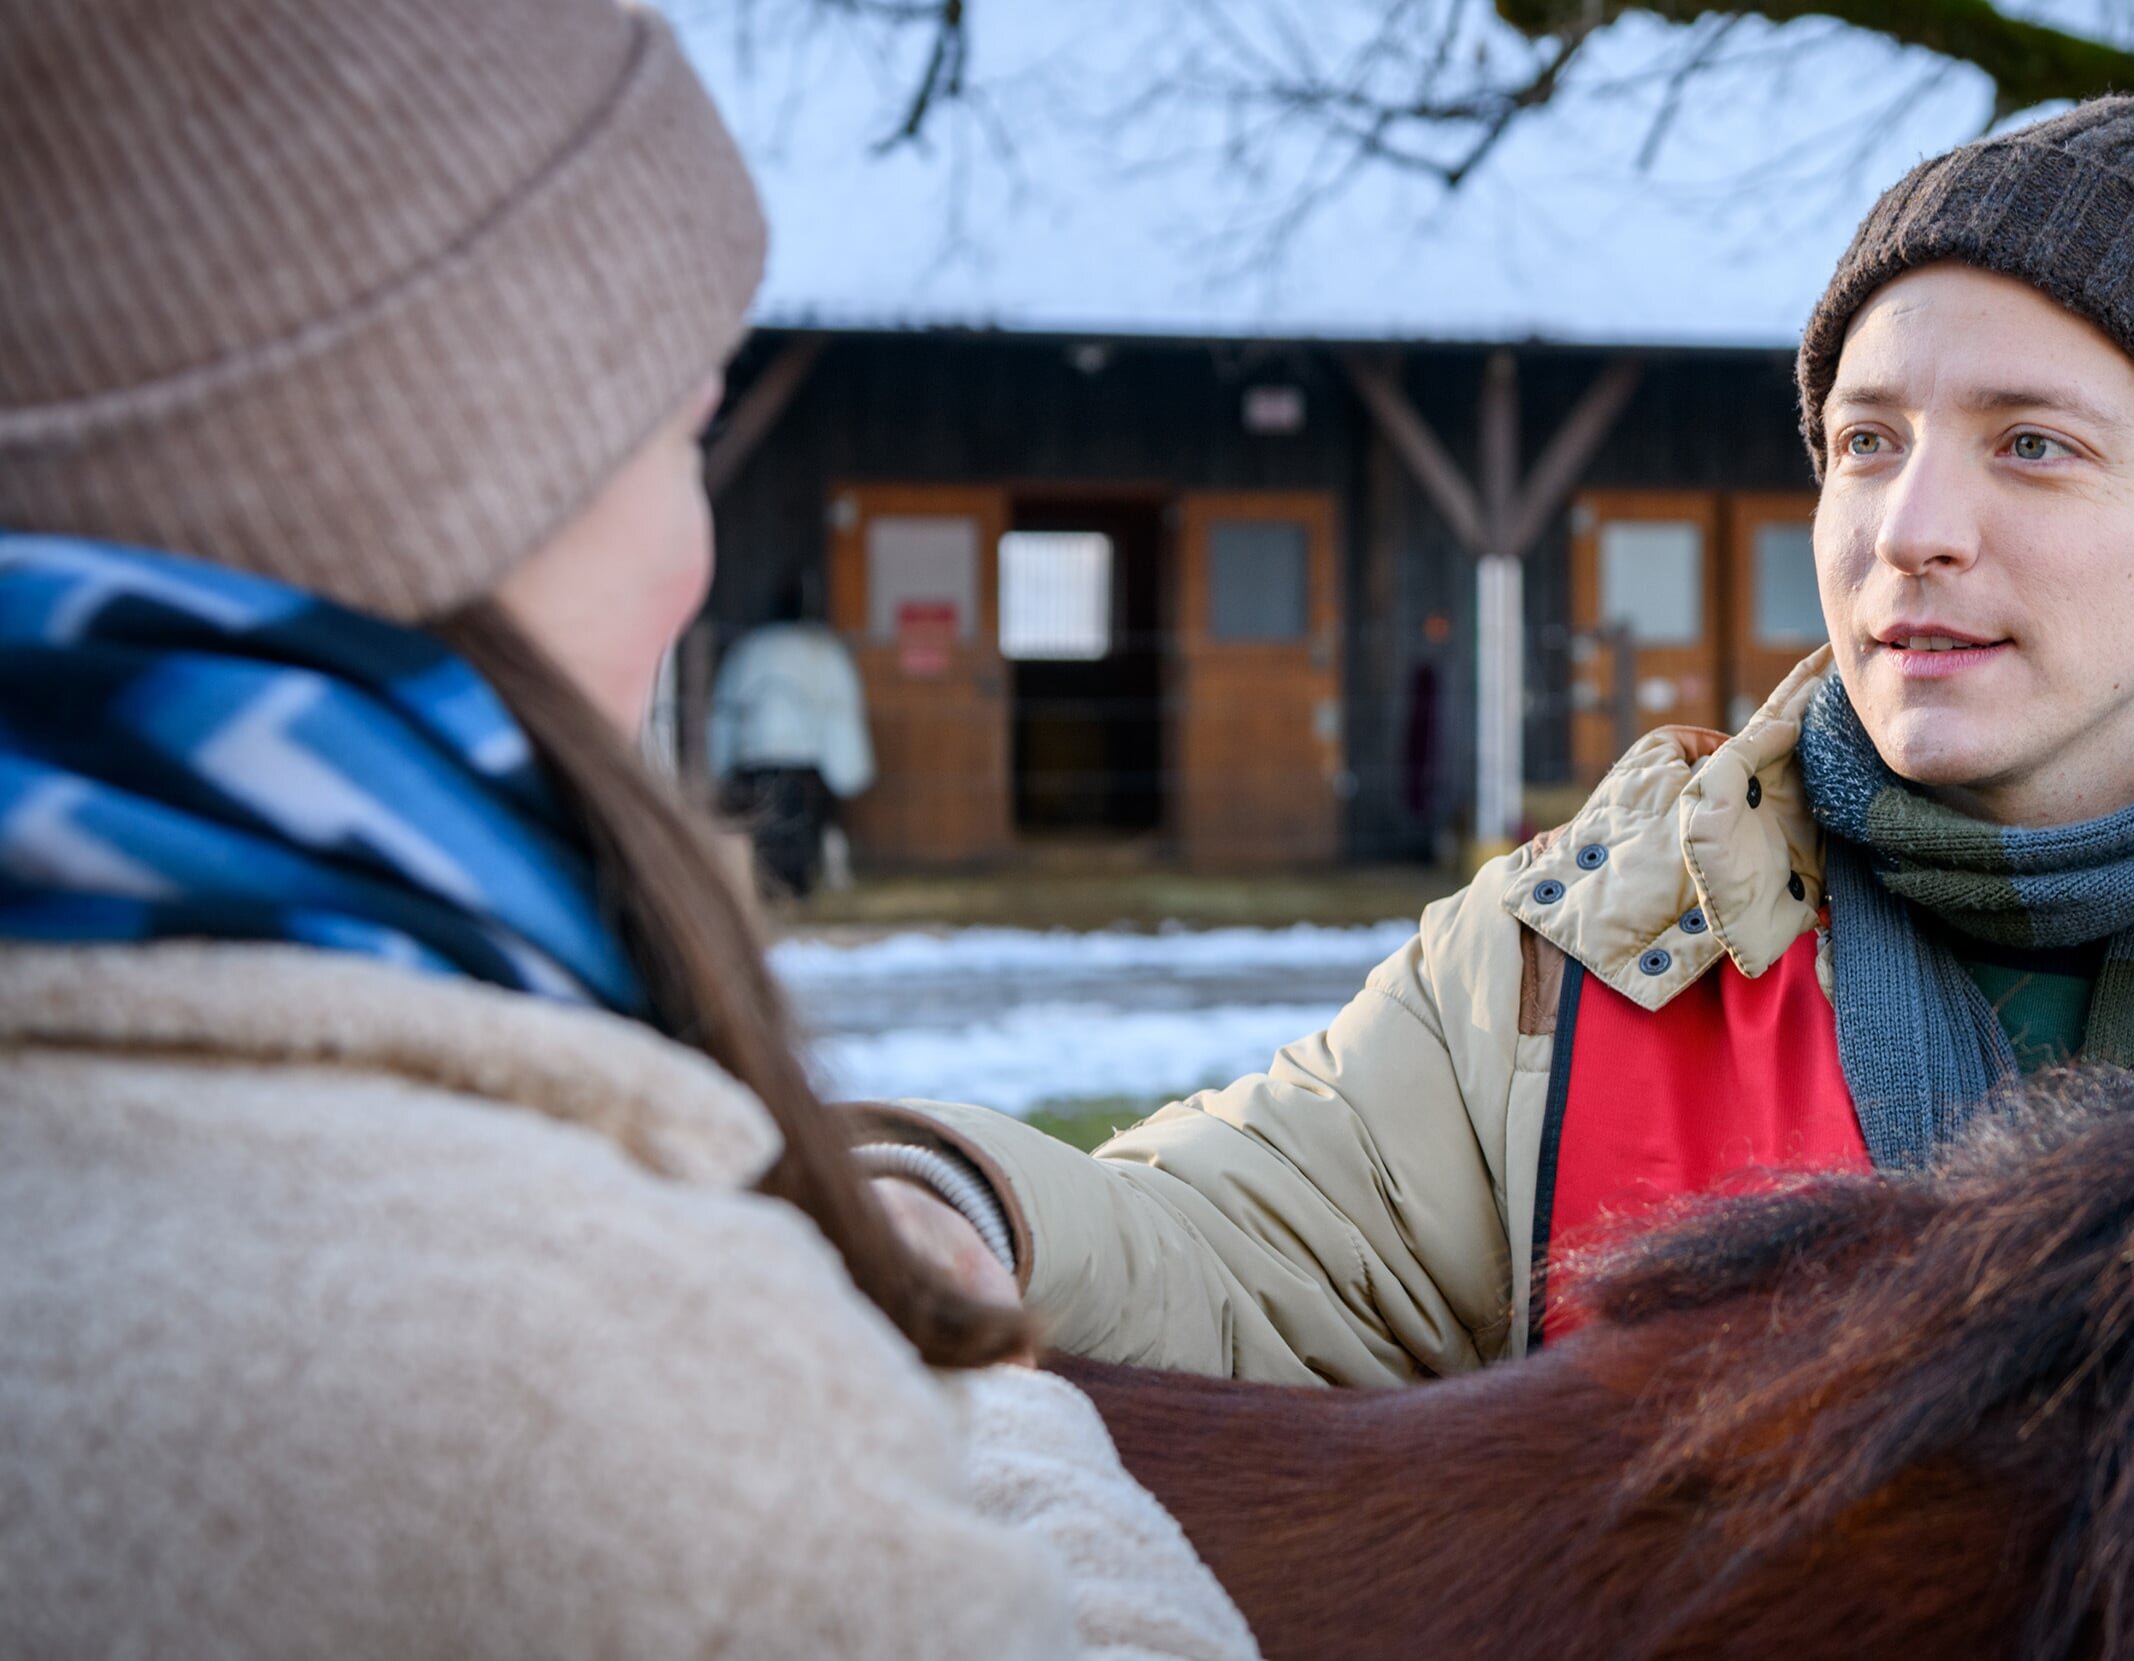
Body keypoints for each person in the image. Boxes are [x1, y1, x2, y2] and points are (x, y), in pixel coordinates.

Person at [881, 94, 2134, 1388]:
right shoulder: (1582, 968)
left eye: (2030, 443)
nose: (1906, 526)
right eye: (1866, 439)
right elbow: (1214, 1254)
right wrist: (945, 1204)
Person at [0, 2, 1253, 1655]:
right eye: (679, 439)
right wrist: (991, 1412)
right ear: (424, 491)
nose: (696, 546)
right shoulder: (600, 1366)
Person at [712, 614, 874, 895]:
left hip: (756, 751)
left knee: (768, 821)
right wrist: (848, 767)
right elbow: (842, 712)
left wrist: (720, 759)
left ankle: (777, 885)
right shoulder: (824, 651)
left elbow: (723, 711)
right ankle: (791, 885)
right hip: (806, 755)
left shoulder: (750, 649)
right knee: (793, 823)